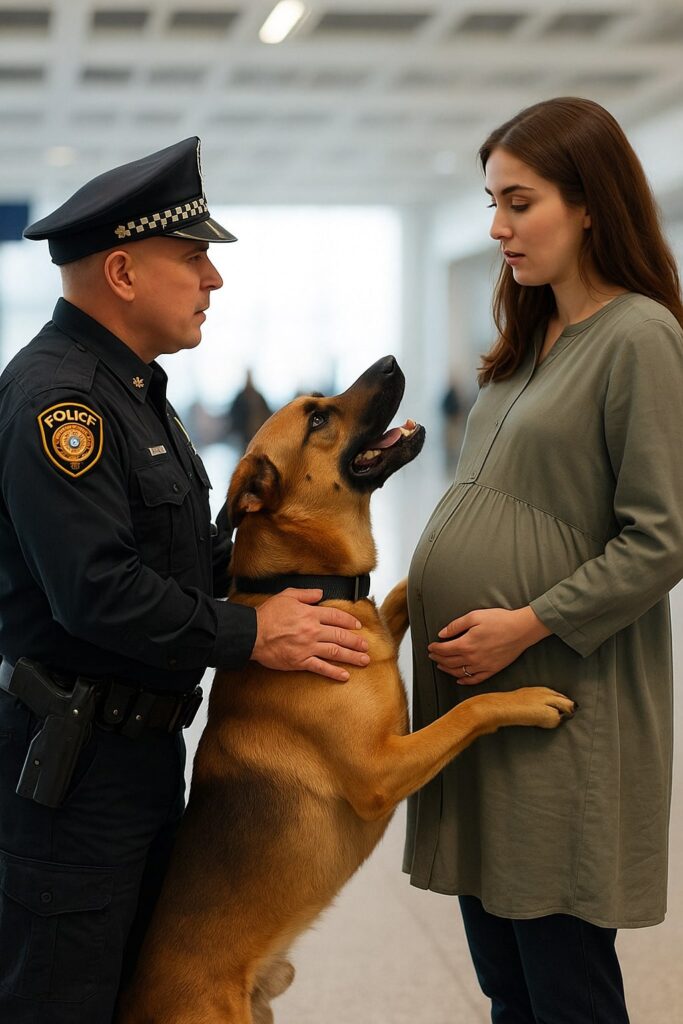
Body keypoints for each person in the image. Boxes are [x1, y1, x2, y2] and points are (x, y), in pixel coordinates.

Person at [0, 137, 369, 1024]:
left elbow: (185, 558)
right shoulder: (66, 404)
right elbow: (98, 592)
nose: (214, 280)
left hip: (140, 758)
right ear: (122, 272)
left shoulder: (138, 394)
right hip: (74, 780)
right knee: (62, 999)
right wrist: (252, 633)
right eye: (194, 256)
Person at [404, 97, 683, 1024]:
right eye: (492, 202)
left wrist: (525, 623)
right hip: (484, 702)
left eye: (519, 202)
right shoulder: (529, 338)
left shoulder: (639, 337)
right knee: (508, 981)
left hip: (562, 698)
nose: (497, 228)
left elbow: (662, 534)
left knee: (565, 984)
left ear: (590, 201)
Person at [226, 368, 272, 452]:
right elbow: (234, 417)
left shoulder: (258, 396)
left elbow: (267, 414)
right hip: (243, 438)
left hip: (258, 436)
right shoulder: (240, 397)